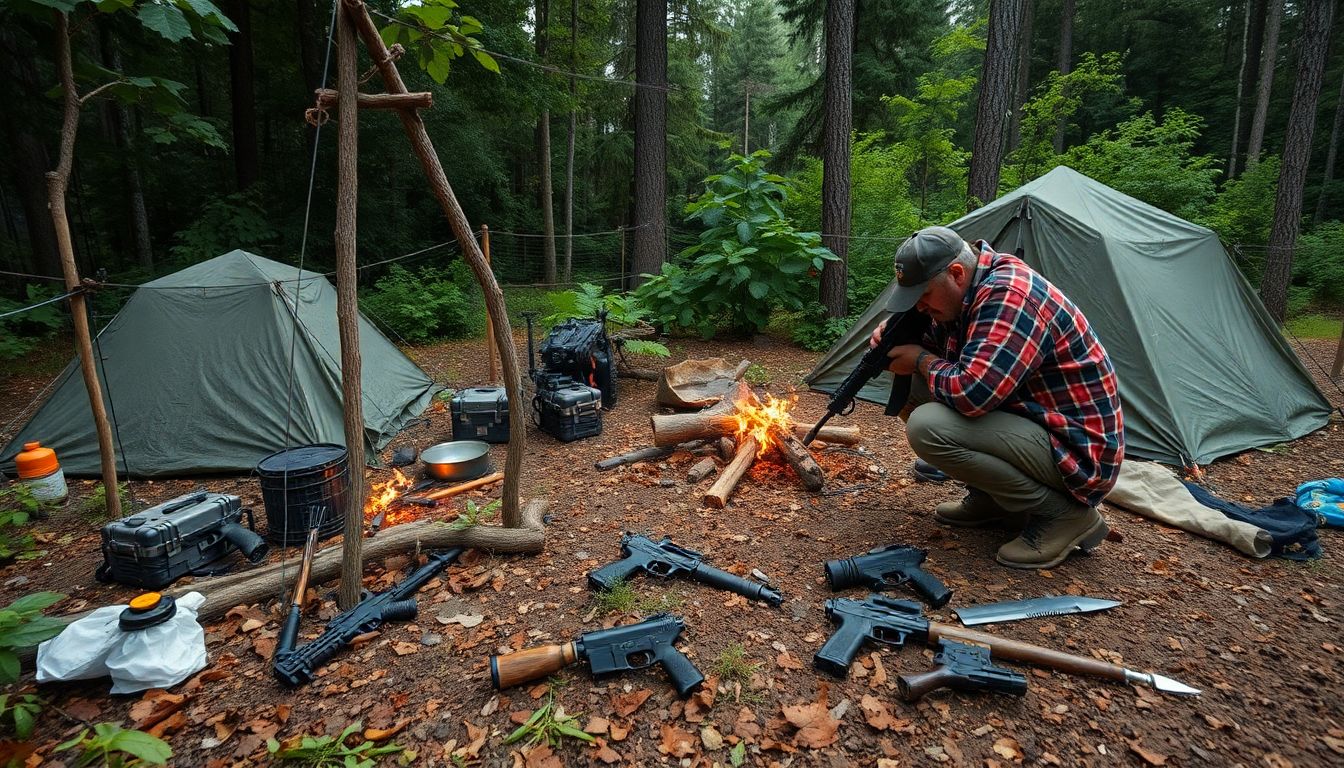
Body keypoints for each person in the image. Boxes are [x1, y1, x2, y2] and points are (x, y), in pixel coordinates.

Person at [870, 226, 1123, 569]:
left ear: (956, 274)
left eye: (924, 294)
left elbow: (973, 394)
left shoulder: (1009, 295)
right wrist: (894, 339)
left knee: (928, 426)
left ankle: (1064, 516)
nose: (919, 306)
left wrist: (919, 359)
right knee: (912, 388)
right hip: (1033, 423)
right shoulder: (969, 292)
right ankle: (994, 500)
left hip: (1077, 449)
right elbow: (955, 353)